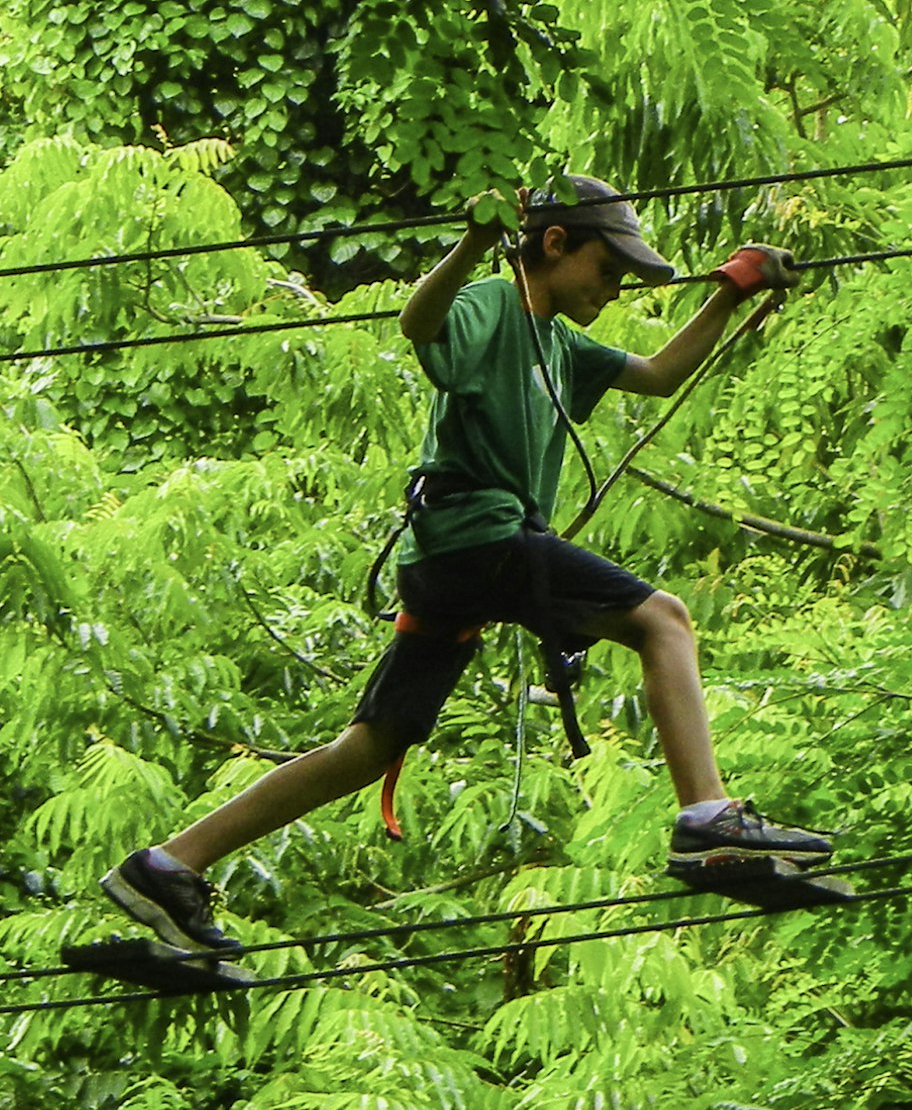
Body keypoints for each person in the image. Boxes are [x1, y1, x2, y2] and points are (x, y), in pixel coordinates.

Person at [103, 178, 836, 968]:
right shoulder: (492, 304)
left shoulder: (558, 342)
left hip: (455, 559)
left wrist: (729, 292)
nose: (614, 287)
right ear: (554, 245)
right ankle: (707, 820)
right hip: (478, 536)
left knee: (370, 747)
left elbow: (657, 375)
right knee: (663, 619)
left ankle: (169, 867)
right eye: (608, 267)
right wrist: (474, 245)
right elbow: (420, 322)